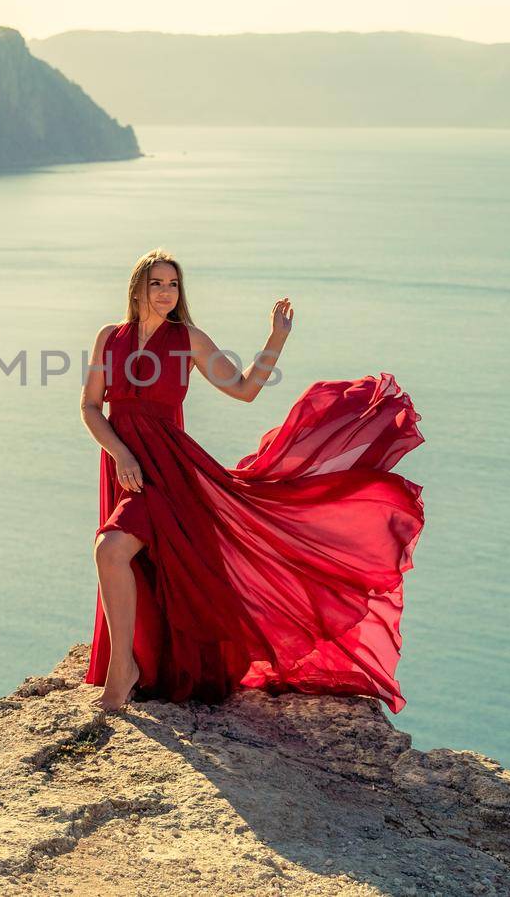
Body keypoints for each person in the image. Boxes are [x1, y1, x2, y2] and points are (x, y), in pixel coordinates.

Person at [79, 248, 426, 714]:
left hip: (168, 470)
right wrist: (120, 453)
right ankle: (141, 660)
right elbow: (90, 407)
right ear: (137, 286)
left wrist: (275, 339)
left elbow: (244, 389)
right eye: (156, 283)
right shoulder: (110, 336)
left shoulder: (188, 338)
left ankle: (125, 669)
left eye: (173, 284)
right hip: (126, 464)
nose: (165, 292)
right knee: (137, 564)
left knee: (111, 549)